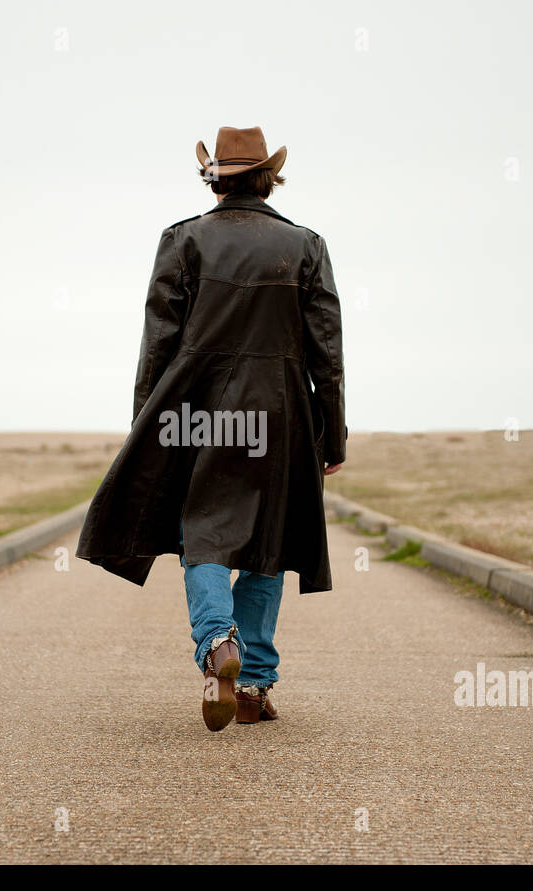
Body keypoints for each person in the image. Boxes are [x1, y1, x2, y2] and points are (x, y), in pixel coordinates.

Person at [76, 126, 346, 732]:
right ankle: (251, 686)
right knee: (266, 547)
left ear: (214, 180)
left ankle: (217, 643)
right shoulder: (306, 247)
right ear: (267, 177)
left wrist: (147, 424)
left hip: (195, 411)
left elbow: (158, 346)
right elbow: (327, 351)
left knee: (202, 535)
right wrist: (333, 436)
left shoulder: (182, 241)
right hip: (280, 414)